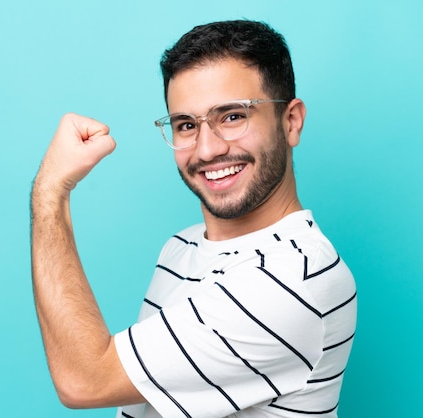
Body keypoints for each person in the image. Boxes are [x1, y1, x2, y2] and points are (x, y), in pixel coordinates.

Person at [31, 19, 357, 418]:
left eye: (233, 116)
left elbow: (85, 380)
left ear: (291, 121)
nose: (206, 149)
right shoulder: (183, 245)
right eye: (186, 125)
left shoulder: (292, 279)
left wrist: (50, 191)